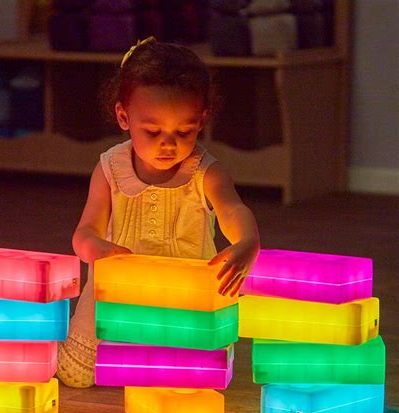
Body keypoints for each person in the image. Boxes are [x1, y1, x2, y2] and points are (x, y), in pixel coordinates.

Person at [57, 37, 260, 388]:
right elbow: (85, 231)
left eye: (184, 131)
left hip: (181, 300)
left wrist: (248, 243)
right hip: (115, 294)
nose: (169, 143)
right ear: (124, 116)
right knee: (78, 375)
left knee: (191, 373)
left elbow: (234, 210)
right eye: (153, 131)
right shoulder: (110, 169)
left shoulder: (205, 173)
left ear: (202, 120)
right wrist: (97, 250)